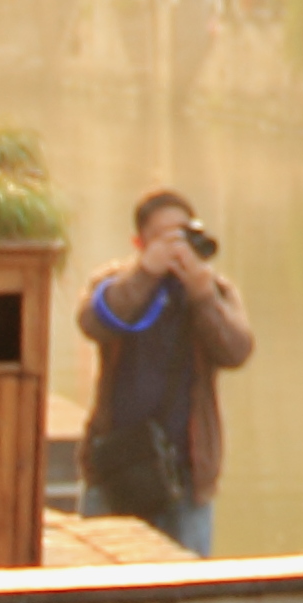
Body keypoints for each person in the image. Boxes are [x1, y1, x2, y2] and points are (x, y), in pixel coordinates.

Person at [73, 186, 252, 555]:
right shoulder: (112, 283)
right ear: (138, 242)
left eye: (183, 235)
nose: (175, 248)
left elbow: (236, 351)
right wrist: (145, 274)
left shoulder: (213, 289)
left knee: (186, 592)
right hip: (115, 465)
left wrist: (202, 297)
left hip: (187, 473)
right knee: (99, 577)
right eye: (163, 238)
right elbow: (94, 323)